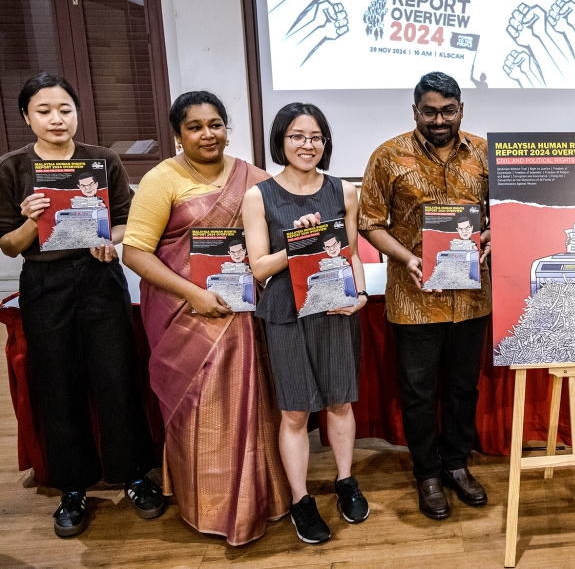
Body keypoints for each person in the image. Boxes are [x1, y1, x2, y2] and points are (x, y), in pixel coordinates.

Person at [121, 91, 288, 545]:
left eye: (215, 124)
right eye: (194, 127)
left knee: (251, 406)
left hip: (243, 312)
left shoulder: (252, 177)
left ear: (226, 127)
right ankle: (208, 505)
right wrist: (193, 294)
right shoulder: (162, 179)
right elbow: (135, 251)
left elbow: (275, 239)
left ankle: (262, 499)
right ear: (178, 135)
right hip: (186, 311)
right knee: (201, 411)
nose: (207, 134)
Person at [0, 73, 162, 537]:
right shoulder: (11, 168)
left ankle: (133, 475)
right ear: (26, 116)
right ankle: (73, 489)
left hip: (100, 279)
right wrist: (34, 220)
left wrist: (111, 241)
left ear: (77, 112)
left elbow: (126, 220)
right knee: (57, 384)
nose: (56, 119)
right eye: (44, 111)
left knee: (117, 377)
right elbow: (10, 245)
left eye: (64, 109)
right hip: (44, 283)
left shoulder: (102, 160)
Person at [359, 71, 492, 520]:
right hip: (414, 297)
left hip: (472, 297)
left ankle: (457, 465)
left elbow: (501, 214)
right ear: (415, 110)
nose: (439, 119)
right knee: (417, 394)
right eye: (430, 111)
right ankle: (427, 474)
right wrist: (406, 258)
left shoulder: (485, 154)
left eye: (448, 111)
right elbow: (369, 222)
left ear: (460, 109)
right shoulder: (388, 156)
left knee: (462, 390)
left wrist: (492, 235)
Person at [242, 102, 369, 544]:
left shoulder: (344, 191)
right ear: (281, 140)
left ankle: (346, 480)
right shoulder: (259, 195)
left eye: (315, 137)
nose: (307, 145)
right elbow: (258, 268)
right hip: (285, 313)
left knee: (339, 402)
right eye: (297, 136)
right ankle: (300, 500)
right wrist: (301, 240)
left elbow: (351, 253)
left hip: (334, 309)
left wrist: (361, 295)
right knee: (294, 412)